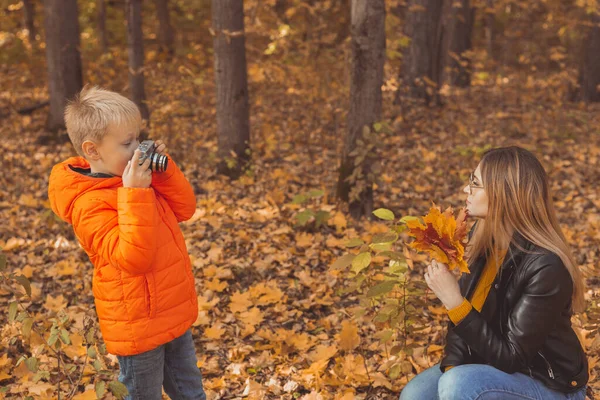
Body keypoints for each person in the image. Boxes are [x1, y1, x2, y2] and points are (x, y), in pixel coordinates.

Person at [48, 86, 206, 399]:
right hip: (137, 325)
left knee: (191, 393)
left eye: (138, 139)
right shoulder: (89, 204)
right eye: (126, 143)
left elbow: (186, 209)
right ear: (93, 151)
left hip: (172, 310)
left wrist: (163, 169)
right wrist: (136, 193)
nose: (136, 149)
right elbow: (133, 258)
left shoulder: (135, 178)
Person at [400, 146, 588, 400]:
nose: (466, 190)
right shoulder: (485, 241)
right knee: (416, 394)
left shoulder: (546, 267)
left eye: (475, 184)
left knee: (458, 385)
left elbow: (512, 356)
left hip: (548, 384)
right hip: (493, 366)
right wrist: (452, 373)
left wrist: (453, 301)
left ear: (504, 194)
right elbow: (460, 329)